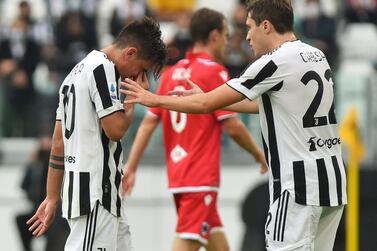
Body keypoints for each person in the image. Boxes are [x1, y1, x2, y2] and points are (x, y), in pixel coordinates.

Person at [121, 1, 347, 250]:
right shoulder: (316, 55)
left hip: (298, 187)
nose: (247, 36)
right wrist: (206, 98)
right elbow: (269, 104)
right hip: (332, 182)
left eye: (249, 27)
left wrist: (154, 99)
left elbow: (206, 105)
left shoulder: (274, 62)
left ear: (266, 26)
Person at [122, 8, 267, 251]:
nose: (226, 41)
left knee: (218, 245)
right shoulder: (213, 71)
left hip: (178, 175)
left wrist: (132, 165)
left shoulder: (171, 73)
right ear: (213, 36)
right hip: (200, 176)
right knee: (187, 241)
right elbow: (232, 125)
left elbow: (148, 122)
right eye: (225, 35)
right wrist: (258, 154)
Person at [26, 17, 167, 251]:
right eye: (142, 70)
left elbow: (59, 143)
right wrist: (133, 99)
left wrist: (52, 197)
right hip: (95, 195)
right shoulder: (103, 69)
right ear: (130, 53)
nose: (139, 78)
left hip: (99, 195)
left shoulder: (75, 72)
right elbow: (115, 130)